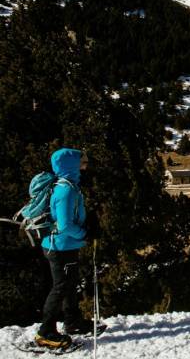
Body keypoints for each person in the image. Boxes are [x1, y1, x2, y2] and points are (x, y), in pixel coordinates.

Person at [35, 148, 94, 349]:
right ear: (71, 164)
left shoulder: (69, 186)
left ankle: (73, 322)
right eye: (82, 161)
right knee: (61, 287)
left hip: (64, 245)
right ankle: (46, 332)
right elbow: (65, 225)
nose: (85, 165)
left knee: (70, 284)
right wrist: (85, 233)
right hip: (60, 246)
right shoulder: (66, 190)